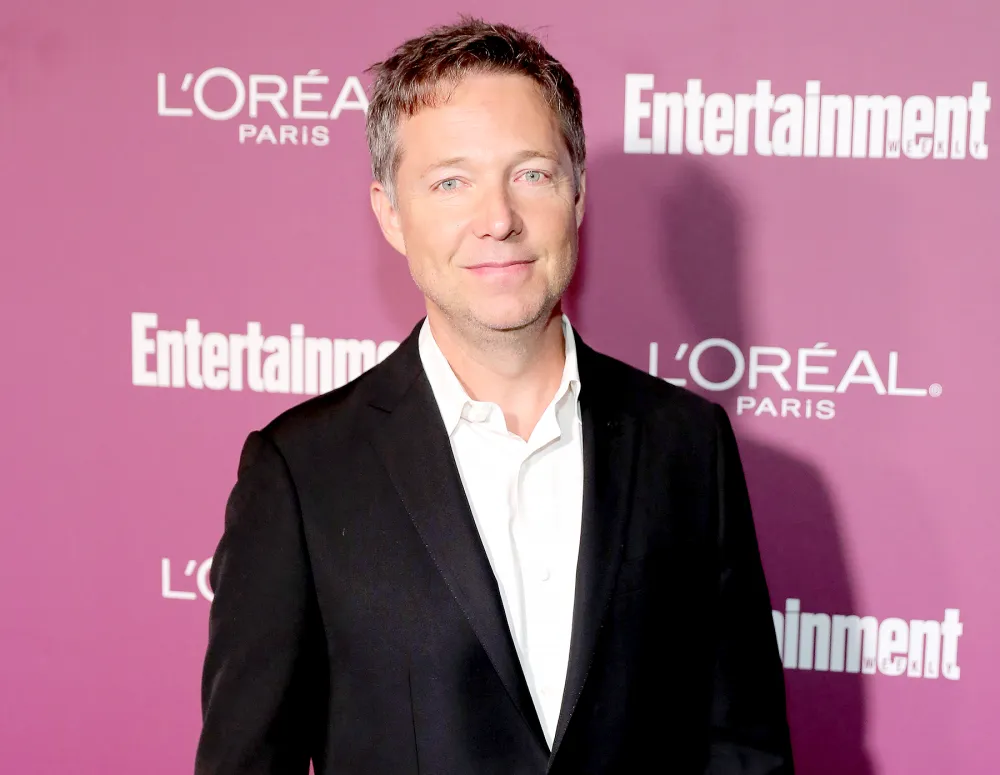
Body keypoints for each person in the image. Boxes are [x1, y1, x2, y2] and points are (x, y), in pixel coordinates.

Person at [194, 16, 793, 775]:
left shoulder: (687, 444)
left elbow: (745, 752)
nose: (499, 219)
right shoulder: (301, 473)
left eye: (531, 173)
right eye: (451, 182)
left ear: (576, 196)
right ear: (389, 213)